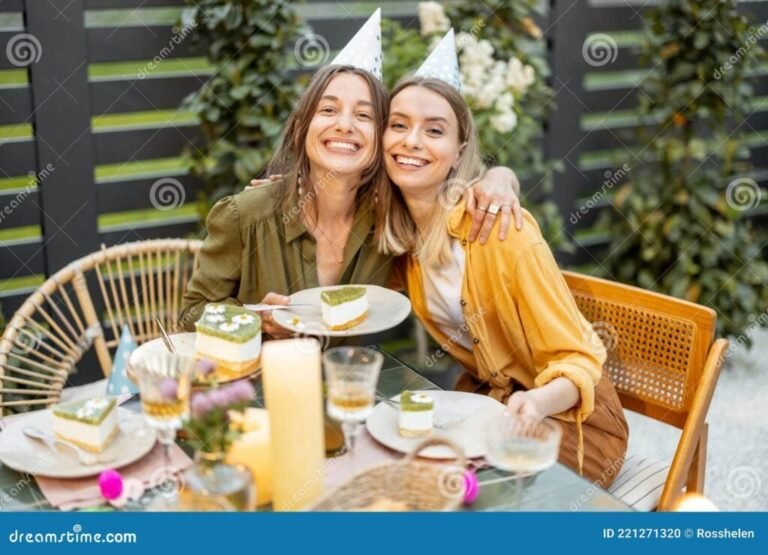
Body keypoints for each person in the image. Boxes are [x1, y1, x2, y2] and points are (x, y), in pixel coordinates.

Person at [380, 32, 628, 485]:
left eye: (434, 130)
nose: (411, 140)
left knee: (447, 493)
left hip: (570, 424)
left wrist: (534, 404)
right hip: (489, 405)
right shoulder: (401, 236)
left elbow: (582, 360)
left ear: (458, 152)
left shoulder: (501, 231)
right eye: (398, 125)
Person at [181, 12, 521, 334]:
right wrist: (255, 320)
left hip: (346, 380)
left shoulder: (390, 222)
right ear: (301, 128)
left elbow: (442, 185)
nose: (344, 126)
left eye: (364, 116)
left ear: (382, 138)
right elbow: (191, 313)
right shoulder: (245, 216)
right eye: (328, 110)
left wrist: (500, 176)